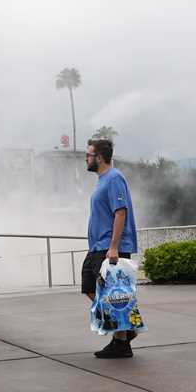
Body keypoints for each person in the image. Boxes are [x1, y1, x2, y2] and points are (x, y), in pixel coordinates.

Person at [81, 138, 139, 359]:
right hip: (97, 246)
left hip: (109, 247)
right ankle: (126, 328)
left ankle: (121, 342)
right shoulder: (102, 180)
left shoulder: (114, 178)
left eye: (88, 155)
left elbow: (120, 212)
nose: (86, 159)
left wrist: (114, 247)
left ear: (99, 157)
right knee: (89, 287)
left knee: (113, 294)